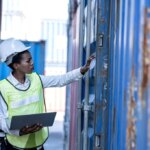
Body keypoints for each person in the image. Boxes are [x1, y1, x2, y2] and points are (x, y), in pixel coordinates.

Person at [0, 38, 95, 150]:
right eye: (28, 61)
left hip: (37, 145)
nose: (32, 63)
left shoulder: (37, 79)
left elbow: (61, 79)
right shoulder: (3, 88)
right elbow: (2, 120)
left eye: (31, 59)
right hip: (14, 146)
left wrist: (82, 70)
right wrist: (20, 131)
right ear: (16, 65)